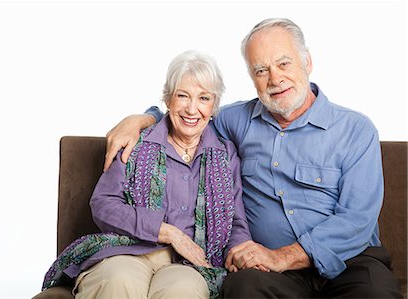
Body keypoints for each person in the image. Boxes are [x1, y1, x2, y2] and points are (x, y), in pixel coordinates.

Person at [103, 18, 403, 298]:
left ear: (307, 61)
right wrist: (143, 118)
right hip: (270, 270)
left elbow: (356, 219)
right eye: (261, 70)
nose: (275, 78)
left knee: (375, 292)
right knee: (243, 287)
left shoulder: (355, 130)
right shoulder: (236, 120)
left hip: (348, 263)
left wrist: (282, 257)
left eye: (283, 63)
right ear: (251, 77)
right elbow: (189, 117)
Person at [41, 50, 252, 299]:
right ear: (167, 99)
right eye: (182, 95)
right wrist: (169, 233)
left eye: (203, 98)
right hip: (127, 250)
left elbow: (236, 222)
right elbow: (103, 205)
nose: (192, 109)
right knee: (118, 280)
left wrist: (242, 252)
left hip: (188, 263)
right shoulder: (135, 142)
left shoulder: (225, 155)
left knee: (182, 291)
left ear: (214, 105)